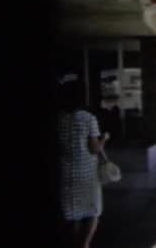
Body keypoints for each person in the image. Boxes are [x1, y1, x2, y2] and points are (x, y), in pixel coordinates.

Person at [58, 81, 109, 248]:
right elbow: (94, 149)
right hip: (86, 172)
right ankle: (85, 244)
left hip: (66, 171)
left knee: (74, 212)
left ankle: (75, 242)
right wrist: (104, 139)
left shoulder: (60, 119)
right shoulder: (88, 118)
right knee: (93, 209)